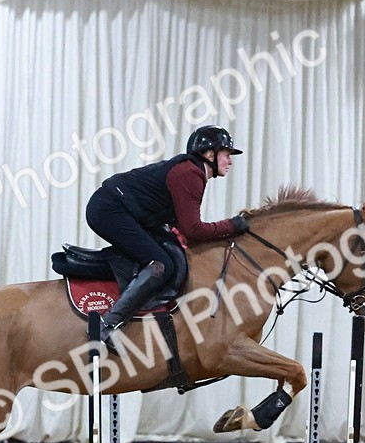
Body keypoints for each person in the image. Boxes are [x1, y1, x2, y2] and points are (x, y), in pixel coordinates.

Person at [85, 125, 249, 345]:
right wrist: (232, 225)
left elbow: (183, 227)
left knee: (168, 255)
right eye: (227, 155)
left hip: (117, 207)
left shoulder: (192, 171)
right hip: (108, 209)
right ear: (210, 154)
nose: (230, 162)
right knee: (160, 264)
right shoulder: (190, 174)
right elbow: (194, 230)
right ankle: (107, 324)